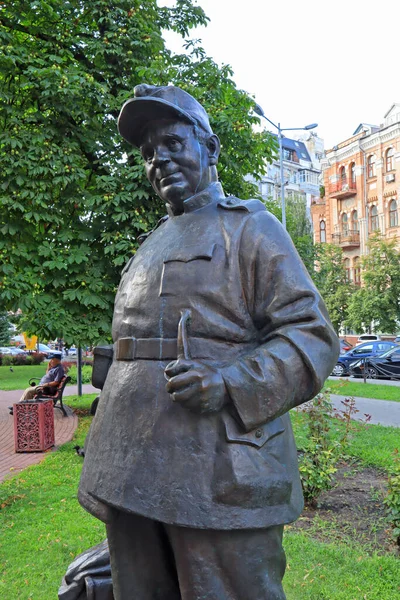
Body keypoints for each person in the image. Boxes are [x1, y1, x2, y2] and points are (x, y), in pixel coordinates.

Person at [78, 84, 339, 599]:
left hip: (214, 460)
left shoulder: (251, 229)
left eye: (173, 143)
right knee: (141, 589)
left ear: (210, 148)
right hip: (129, 461)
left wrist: (229, 380)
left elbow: (311, 336)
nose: (160, 161)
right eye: (150, 153)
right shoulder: (152, 239)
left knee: (226, 589)